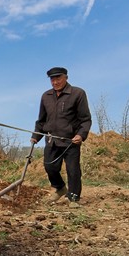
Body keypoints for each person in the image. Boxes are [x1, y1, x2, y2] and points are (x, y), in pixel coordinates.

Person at [30, 67, 92, 208]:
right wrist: (35, 136)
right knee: (50, 167)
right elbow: (41, 120)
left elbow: (85, 119)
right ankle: (60, 188)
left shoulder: (77, 93)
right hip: (52, 140)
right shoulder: (46, 96)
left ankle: (73, 198)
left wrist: (81, 135)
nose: (55, 82)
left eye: (58, 78)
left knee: (73, 170)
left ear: (66, 78)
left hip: (71, 141)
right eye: (52, 79)